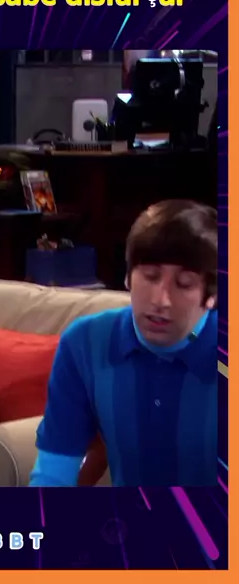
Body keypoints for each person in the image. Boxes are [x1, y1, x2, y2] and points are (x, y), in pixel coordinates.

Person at [30, 199, 218, 487]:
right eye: (150, 276)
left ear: (213, 295)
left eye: (184, 284)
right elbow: (54, 473)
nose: (160, 300)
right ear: (128, 277)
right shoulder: (84, 344)